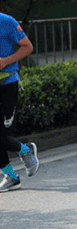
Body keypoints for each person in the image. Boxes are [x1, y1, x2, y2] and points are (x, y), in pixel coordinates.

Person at [0, 12, 39, 192]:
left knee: (1, 136)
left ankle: (25, 150)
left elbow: (27, 46)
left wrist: (5, 61)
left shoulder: (6, 22)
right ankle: (12, 177)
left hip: (7, 84)